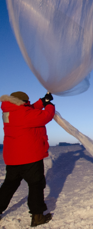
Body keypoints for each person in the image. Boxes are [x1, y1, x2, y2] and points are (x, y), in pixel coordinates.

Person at [0, 91, 55, 227]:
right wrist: (49, 106)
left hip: (13, 158)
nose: (28, 104)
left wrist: (42, 101)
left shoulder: (9, 111)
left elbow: (28, 111)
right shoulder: (24, 114)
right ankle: (37, 217)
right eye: (27, 102)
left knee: (9, 186)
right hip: (30, 157)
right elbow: (45, 116)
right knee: (36, 185)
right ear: (22, 102)